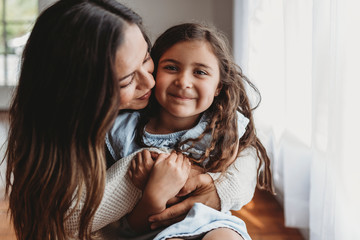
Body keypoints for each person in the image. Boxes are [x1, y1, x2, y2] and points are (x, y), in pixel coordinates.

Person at [3, 0, 191, 239]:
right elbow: (72, 221)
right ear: (78, 91)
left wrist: (215, 189)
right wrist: (149, 180)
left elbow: (239, 143)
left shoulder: (155, 96)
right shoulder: (57, 166)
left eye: (145, 58)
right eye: (126, 81)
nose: (150, 82)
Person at [105, 22, 274, 239]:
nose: (184, 81)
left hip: (212, 223)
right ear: (154, 72)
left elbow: (239, 177)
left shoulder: (222, 129)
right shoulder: (125, 134)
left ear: (218, 87)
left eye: (200, 72)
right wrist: (153, 195)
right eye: (171, 68)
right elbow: (128, 228)